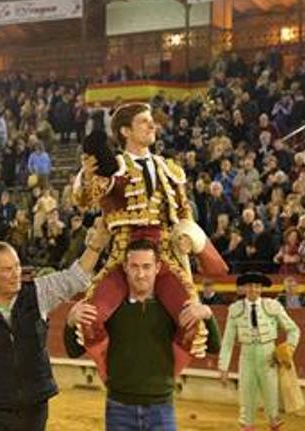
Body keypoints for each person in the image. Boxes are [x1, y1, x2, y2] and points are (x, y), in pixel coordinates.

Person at [73, 102, 227, 378]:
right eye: (144, 121)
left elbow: (183, 212)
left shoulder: (169, 168)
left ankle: (167, 378)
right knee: (89, 318)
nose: (152, 125)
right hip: (123, 253)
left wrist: (187, 237)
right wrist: (88, 173)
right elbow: (85, 198)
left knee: (193, 322)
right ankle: (113, 376)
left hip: (164, 254)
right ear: (125, 131)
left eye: (150, 121)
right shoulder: (112, 166)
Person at [0, 219, 112, 431]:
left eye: (17, 266)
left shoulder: (38, 292)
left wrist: (96, 245)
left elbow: (74, 278)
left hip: (34, 405)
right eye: (7, 270)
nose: (16, 274)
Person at [62, 238, 217, 431]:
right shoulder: (111, 309)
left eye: (146, 266)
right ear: (125, 267)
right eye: (134, 266)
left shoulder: (171, 309)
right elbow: (73, 351)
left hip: (161, 408)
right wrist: (70, 321)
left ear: (158, 267)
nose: (141, 274)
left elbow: (214, 347)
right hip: (119, 409)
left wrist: (208, 315)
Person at [218, 272, 300, 431]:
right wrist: (223, 366)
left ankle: (274, 423)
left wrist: (288, 349)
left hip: (268, 354)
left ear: (261, 288)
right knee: (246, 395)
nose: (253, 289)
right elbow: (228, 340)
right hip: (246, 355)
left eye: (256, 286)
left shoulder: (272, 306)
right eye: (249, 286)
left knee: (271, 395)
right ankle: (247, 426)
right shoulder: (235, 309)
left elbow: (293, 330)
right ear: (244, 288)